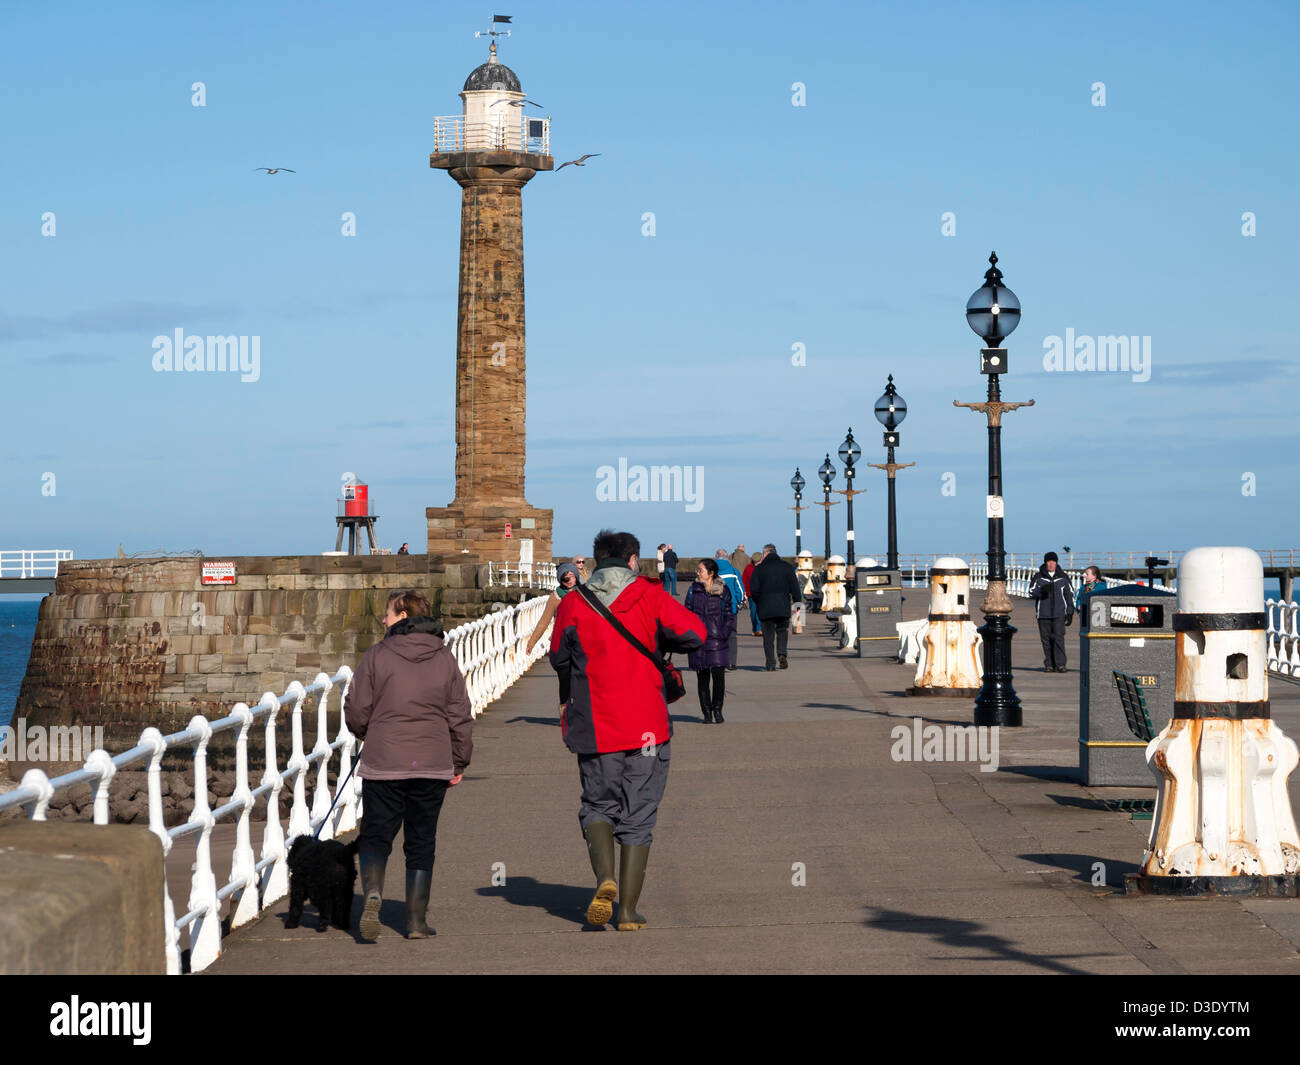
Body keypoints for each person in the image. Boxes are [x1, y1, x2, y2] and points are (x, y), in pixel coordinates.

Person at [549, 530, 705, 931]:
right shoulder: (649, 595)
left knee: (598, 805)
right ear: (633, 560)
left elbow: (558, 658)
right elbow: (695, 634)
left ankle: (605, 879)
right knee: (639, 815)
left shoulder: (575, 603)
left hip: (595, 724)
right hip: (647, 726)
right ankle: (628, 912)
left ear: (598, 561)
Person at [346, 589, 471, 940]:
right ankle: (415, 922)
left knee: (376, 834)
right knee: (421, 840)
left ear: (402, 616)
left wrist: (366, 732)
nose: (383, 620)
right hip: (431, 763)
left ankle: (373, 893)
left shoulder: (376, 655)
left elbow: (357, 711)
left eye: (387, 614)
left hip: (385, 762)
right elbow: (460, 713)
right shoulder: (445, 657)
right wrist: (459, 760)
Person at [525, 561, 581, 710]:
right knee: (564, 677)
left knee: (581, 677)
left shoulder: (584, 593)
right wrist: (531, 643)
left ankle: (577, 710)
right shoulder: (556, 597)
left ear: (576, 577)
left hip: (581, 642)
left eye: (571, 577)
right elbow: (544, 621)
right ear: (560, 580)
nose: (569, 581)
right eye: (565, 579)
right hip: (561, 642)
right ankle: (564, 707)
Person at [685, 559, 736, 723]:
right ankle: (707, 712)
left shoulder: (722, 590)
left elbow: (729, 613)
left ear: (711, 572)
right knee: (703, 677)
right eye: (697, 570)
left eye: (701, 570)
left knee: (719, 677)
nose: (698, 573)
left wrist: (725, 631)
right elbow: (686, 613)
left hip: (717, 639)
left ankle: (717, 710)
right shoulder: (693, 590)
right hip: (699, 640)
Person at [749, 543, 801, 671]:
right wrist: (797, 603)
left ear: (766, 553)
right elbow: (795, 588)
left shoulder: (759, 569)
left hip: (765, 607)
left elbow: (753, 589)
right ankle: (782, 654)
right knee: (782, 631)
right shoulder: (787, 567)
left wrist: (759, 601)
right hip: (782, 606)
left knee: (768, 636)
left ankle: (770, 662)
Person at [1029, 551, 1075, 672]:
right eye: (1049, 562)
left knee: (1059, 639)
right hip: (1043, 614)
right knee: (1046, 640)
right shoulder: (1038, 577)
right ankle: (1049, 664)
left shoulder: (1063, 577)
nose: (1051, 564)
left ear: (1056, 562)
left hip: (1059, 613)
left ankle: (1060, 665)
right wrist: (1042, 591)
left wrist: (1070, 613)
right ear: (1045, 563)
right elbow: (1030, 593)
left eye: (1053, 562)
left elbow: (1070, 595)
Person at [713, 549, 745, 670]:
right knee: (731, 635)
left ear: (716, 557)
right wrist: (739, 603)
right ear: (727, 558)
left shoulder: (712, 572)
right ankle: (732, 662)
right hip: (731, 608)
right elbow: (740, 590)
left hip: (715, 609)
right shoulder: (734, 571)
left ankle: (719, 661)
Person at [742, 552, 762, 636]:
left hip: (762, 594)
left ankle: (759, 629)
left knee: (760, 612)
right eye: (755, 562)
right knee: (753, 612)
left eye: (758, 562)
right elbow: (744, 581)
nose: (756, 563)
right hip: (751, 594)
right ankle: (754, 628)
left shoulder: (764, 567)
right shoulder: (748, 568)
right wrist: (745, 592)